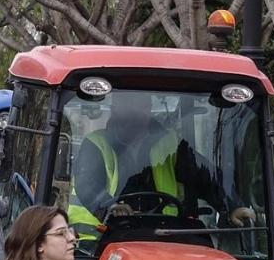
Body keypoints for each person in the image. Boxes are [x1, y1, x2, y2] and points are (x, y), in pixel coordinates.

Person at [69, 92, 254, 228]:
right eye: (129, 106)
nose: (135, 113)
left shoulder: (169, 144)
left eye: (141, 106)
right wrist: (110, 206)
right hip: (99, 237)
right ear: (116, 109)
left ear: (148, 109)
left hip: (163, 235)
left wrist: (231, 205)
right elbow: (88, 185)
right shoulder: (96, 144)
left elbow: (204, 176)